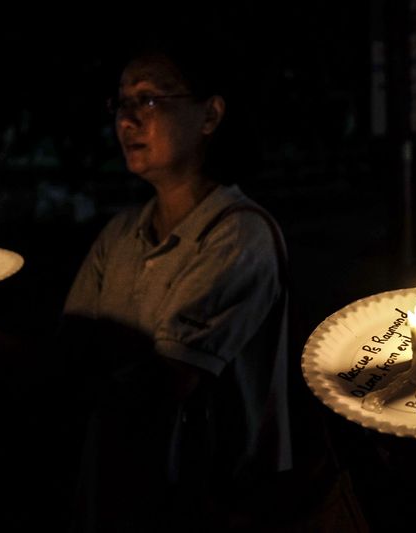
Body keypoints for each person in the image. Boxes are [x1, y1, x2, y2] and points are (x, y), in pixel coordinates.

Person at [59, 38, 293, 531]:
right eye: (121, 103)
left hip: (205, 503)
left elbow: (165, 385)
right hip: (114, 489)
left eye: (148, 100)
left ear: (209, 115)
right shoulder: (120, 234)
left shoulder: (237, 234)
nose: (127, 121)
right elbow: (70, 352)